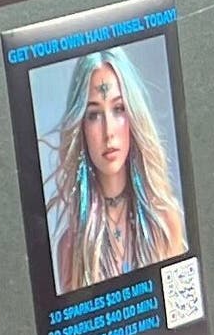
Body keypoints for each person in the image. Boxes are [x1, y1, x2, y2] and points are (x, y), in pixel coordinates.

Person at [43, 50, 187, 290]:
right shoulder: (71, 247)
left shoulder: (164, 222)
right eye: (94, 115)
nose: (108, 130)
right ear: (81, 127)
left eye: (118, 109)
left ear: (133, 116)